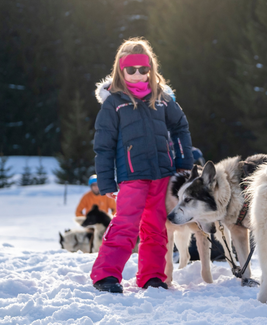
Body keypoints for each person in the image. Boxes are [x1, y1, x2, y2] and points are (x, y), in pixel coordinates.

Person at [90, 37, 194, 293]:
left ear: (151, 69)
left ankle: (152, 277)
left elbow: (180, 126)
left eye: (143, 69)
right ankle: (106, 275)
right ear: (121, 70)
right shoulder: (114, 103)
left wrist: (183, 161)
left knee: (156, 228)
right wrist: (106, 181)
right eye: (131, 69)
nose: (138, 74)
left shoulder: (162, 99)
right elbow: (103, 146)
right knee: (125, 224)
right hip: (131, 176)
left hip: (162, 173)